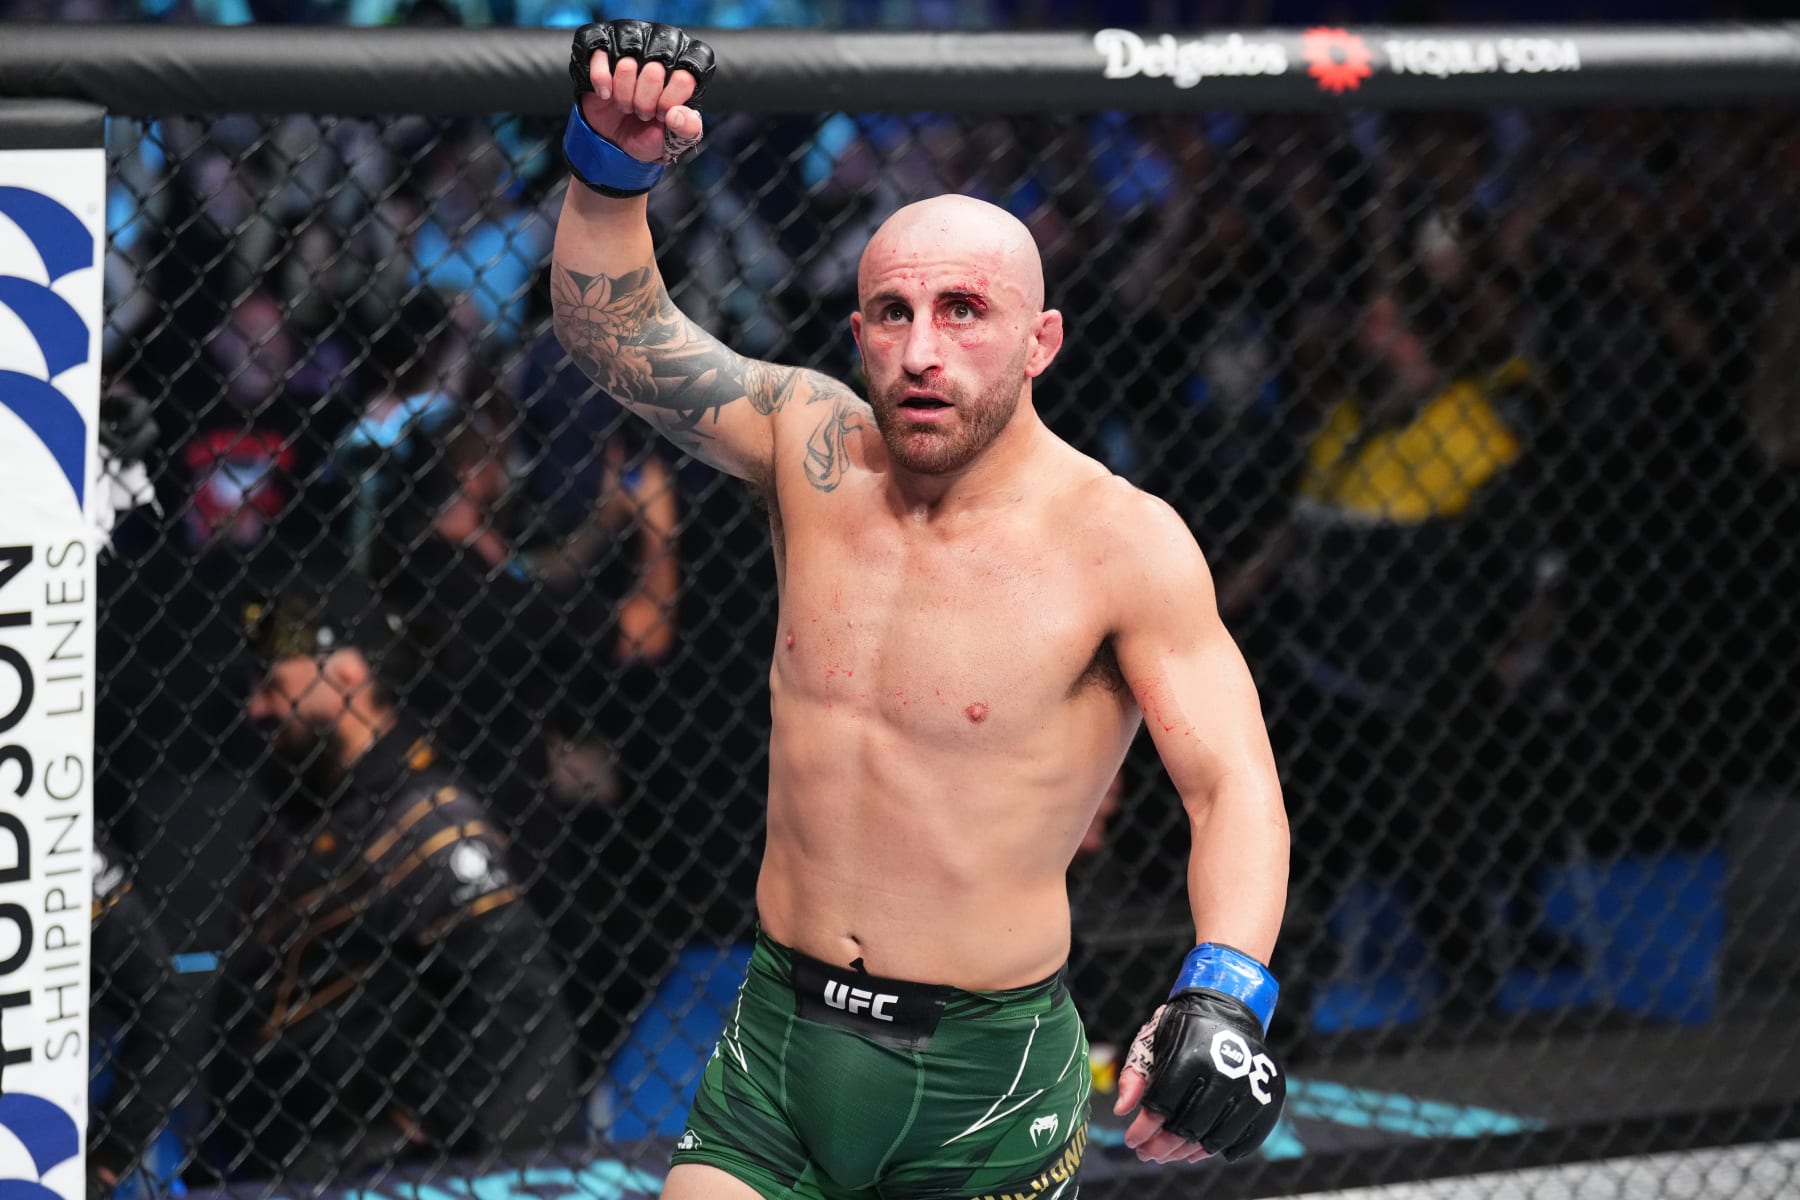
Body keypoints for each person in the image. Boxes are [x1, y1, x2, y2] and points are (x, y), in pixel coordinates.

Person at [548, 20, 1290, 1197]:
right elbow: (616, 333)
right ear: (858, 335)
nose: (922, 351)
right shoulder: (811, 447)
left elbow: (1232, 784)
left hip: (981, 1079)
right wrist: (610, 164)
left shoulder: (1121, 543)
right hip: (778, 1040)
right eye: (892, 314)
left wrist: (1224, 989)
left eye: (964, 310)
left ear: (1040, 341)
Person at [217, 581, 580, 1179]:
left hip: (365, 1161)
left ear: (348, 674)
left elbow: (518, 986)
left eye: (273, 685)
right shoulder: (309, 803)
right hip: (279, 1143)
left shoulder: (424, 815)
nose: (255, 707)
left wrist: (412, 1127)